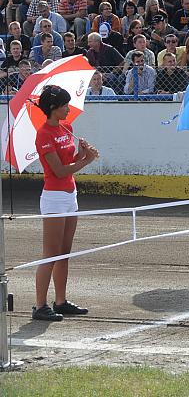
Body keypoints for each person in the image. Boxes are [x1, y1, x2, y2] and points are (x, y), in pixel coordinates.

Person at [32, 85, 100, 321]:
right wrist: (87, 161)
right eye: (64, 105)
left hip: (70, 195)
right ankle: (40, 305)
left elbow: (71, 161)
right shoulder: (43, 134)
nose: (68, 109)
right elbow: (59, 171)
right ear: (53, 107)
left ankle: (60, 301)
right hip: (54, 197)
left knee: (64, 253)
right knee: (50, 254)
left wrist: (82, 153)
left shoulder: (66, 127)